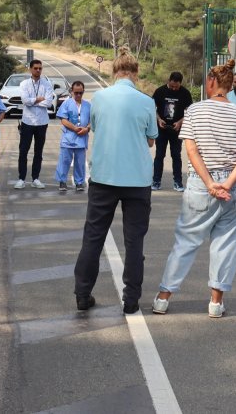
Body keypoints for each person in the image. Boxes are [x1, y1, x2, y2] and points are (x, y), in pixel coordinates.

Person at [152, 60, 236, 319]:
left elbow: (191, 150)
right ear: (231, 86)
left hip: (202, 184)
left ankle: (164, 298)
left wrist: (210, 183)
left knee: (186, 241)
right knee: (227, 243)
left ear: (211, 83)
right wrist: (228, 183)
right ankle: (215, 302)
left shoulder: (195, 111)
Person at [73, 47, 157, 315]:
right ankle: (131, 299)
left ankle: (82, 294)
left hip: (104, 177)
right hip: (137, 180)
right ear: (135, 72)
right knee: (134, 242)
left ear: (114, 71)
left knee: (93, 237)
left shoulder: (99, 98)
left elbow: (96, 127)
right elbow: (151, 138)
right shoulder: (146, 101)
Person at [15, 59, 54, 189]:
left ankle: (35, 178)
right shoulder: (24, 84)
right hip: (27, 121)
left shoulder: (47, 84)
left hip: (42, 122)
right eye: (36, 68)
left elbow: (48, 102)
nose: (38, 70)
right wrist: (37, 99)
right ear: (30, 69)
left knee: (38, 151)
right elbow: (25, 101)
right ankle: (21, 178)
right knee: (23, 151)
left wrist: (34, 102)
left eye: (40, 68)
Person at [152, 71, 193, 192]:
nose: (174, 88)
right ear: (168, 81)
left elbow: (190, 111)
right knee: (159, 155)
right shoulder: (160, 91)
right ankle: (156, 181)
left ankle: (178, 182)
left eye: (176, 86)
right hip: (162, 129)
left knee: (176, 156)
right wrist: (158, 119)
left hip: (176, 130)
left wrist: (180, 121)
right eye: (172, 86)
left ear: (180, 83)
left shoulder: (185, 93)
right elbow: (151, 108)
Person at [55, 81, 91, 192]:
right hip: (68, 138)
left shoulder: (88, 105)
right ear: (72, 92)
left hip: (82, 138)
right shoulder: (66, 103)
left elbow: (93, 121)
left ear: (83, 92)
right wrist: (74, 128)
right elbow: (63, 120)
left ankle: (79, 182)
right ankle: (62, 182)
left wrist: (87, 128)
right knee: (65, 160)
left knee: (80, 162)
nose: (78, 95)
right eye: (76, 93)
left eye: (80, 93)